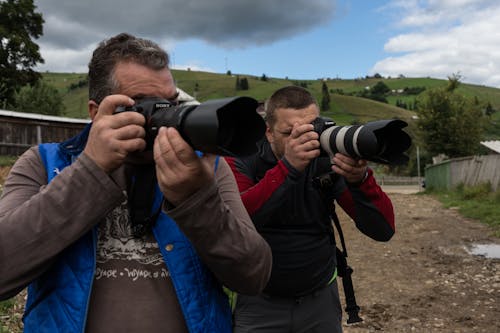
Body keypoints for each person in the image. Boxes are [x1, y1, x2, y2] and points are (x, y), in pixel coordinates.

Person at [0, 33, 272, 333]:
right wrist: (90, 172)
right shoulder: (44, 164)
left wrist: (197, 200)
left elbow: (253, 276)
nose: (163, 118)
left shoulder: (204, 168)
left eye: (170, 104)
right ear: (97, 112)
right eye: (144, 105)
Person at [226, 86, 395, 333]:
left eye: (311, 128)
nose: (304, 139)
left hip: (319, 299)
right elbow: (238, 222)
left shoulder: (326, 160)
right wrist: (289, 167)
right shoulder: (242, 156)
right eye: (289, 133)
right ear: (269, 132)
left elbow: (383, 229)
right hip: (258, 300)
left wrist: (360, 180)